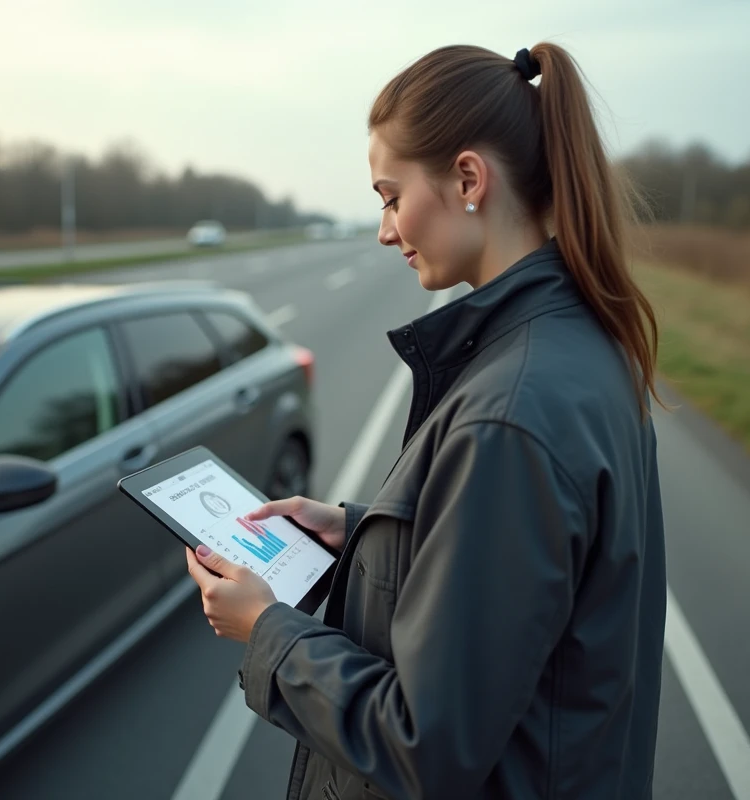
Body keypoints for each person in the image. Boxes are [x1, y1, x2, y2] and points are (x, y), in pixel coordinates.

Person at [185, 42, 667, 800]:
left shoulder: (510, 413)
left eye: (390, 194)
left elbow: (425, 743)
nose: (385, 229)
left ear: (468, 178)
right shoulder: (576, 343)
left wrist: (268, 630)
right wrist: (373, 530)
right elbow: (530, 581)